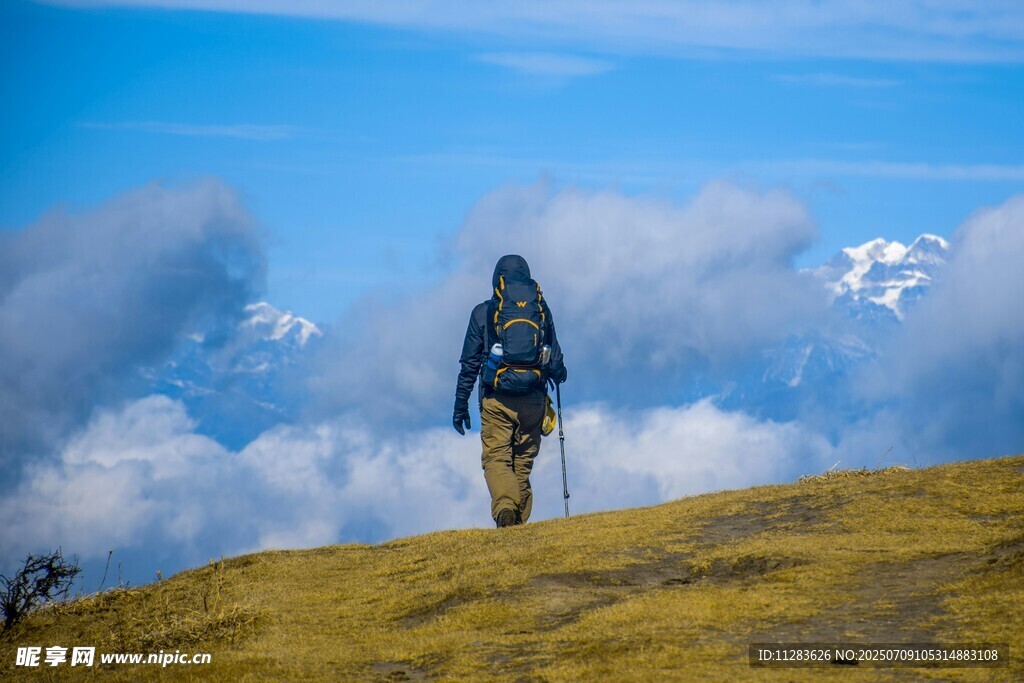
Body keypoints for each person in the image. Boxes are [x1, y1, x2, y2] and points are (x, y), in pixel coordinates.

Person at [452, 255, 567, 528]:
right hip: (533, 398)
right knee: (522, 462)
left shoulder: (483, 312)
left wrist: (460, 405)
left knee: (496, 458)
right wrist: (559, 375)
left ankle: (506, 510)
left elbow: (468, 364)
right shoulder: (540, 308)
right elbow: (556, 357)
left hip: (496, 398)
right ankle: (517, 525)